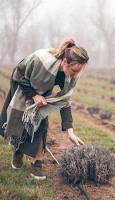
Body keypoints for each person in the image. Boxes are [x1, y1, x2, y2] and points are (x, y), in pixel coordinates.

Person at [0, 38, 89, 180]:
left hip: (42, 91)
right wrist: (34, 95)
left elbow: (64, 101)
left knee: (41, 123)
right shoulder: (41, 61)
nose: (73, 76)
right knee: (20, 123)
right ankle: (18, 150)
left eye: (77, 72)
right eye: (73, 71)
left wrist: (70, 132)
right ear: (65, 62)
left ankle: (37, 163)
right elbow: (19, 76)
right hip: (22, 85)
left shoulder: (70, 76)